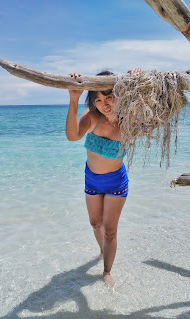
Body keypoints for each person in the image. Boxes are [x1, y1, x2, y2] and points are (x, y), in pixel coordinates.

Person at [66, 70, 141, 287]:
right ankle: (103, 252)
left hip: (116, 183)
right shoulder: (91, 117)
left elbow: (156, 106)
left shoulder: (130, 120)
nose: (104, 104)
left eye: (109, 97)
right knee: (95, 223)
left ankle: (107, 271)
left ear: (119, 95)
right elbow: (72, 136)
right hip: (91, 180)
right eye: (98, 99)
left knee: (110, 230)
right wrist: (73, 98)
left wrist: (136, 79)